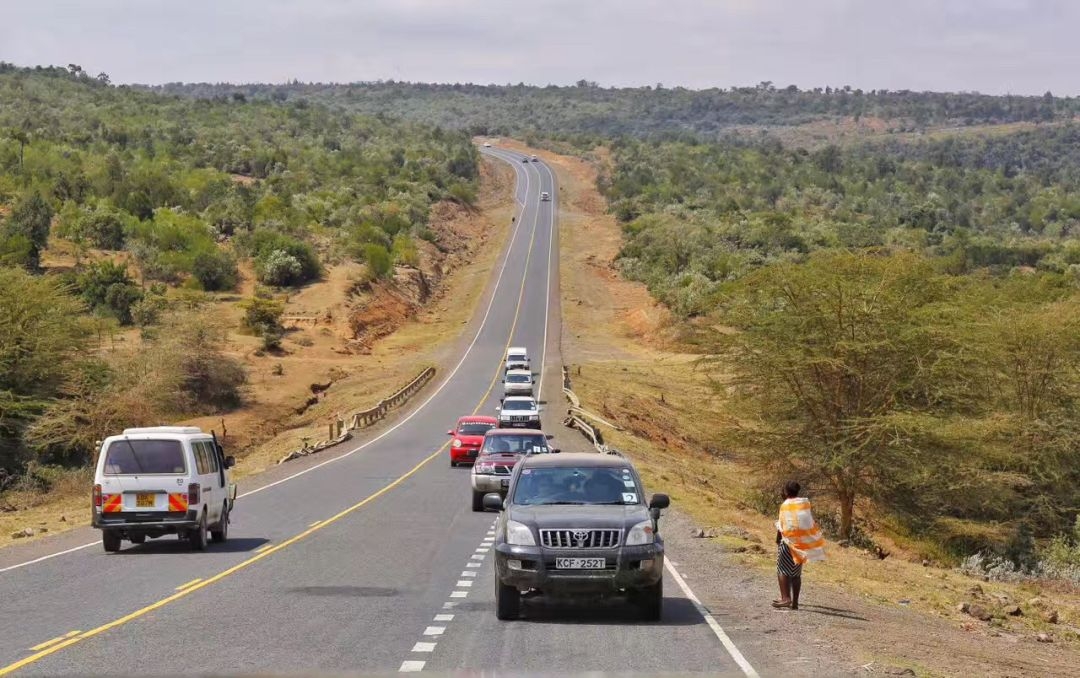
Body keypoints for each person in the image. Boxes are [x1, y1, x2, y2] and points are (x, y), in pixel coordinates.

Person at [772, 480, 825, 610]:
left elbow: (783, 524)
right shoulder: (805, 504)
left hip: (788, 543)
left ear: (785, 492)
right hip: (801, 545)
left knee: (782, 570)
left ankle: (785, 598)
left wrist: (778, 539)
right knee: (796, 574)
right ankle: (795, 602)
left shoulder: (785, 505)